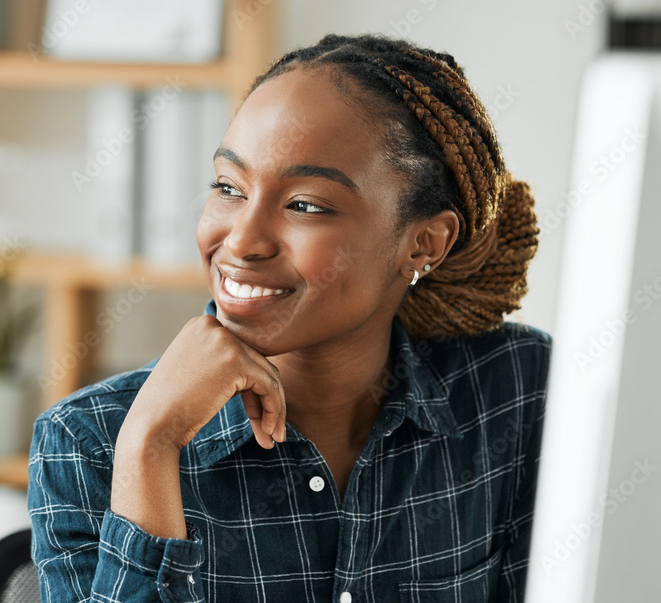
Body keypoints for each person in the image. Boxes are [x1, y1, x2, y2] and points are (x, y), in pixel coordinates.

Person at [28, 33, 551, 602]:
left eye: (305, 205)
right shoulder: (90, 444)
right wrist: (152, 446)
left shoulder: (520, 392)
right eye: (229, 187)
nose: (242, 241)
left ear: (424, 243)